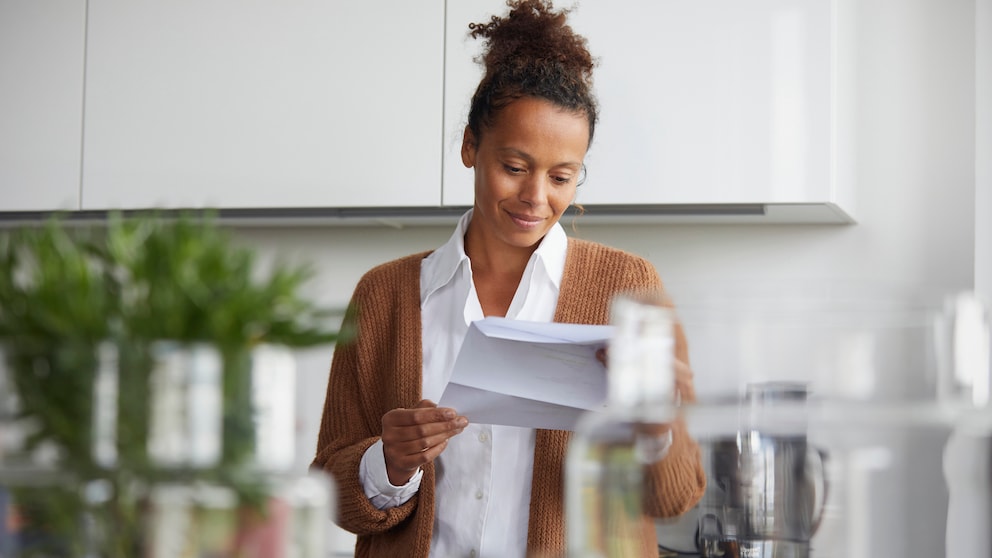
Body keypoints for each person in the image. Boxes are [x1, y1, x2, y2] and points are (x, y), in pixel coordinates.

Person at [311, 1, 706, 556]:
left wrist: (654, 422)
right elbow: (329, 491)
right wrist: (389, 462)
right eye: (515, 167)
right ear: (471, 147)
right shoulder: (384, 296)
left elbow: (676, 498)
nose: (536, 197)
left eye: (562, 176)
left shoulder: (630, 288)